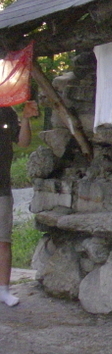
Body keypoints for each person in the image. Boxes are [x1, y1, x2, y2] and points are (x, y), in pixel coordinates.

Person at [0, 100, 38, 307]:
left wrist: (25, 117)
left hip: (1, 188)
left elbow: (23, 142)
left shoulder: (5, 111)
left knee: (3, 241)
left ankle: (4, 291)